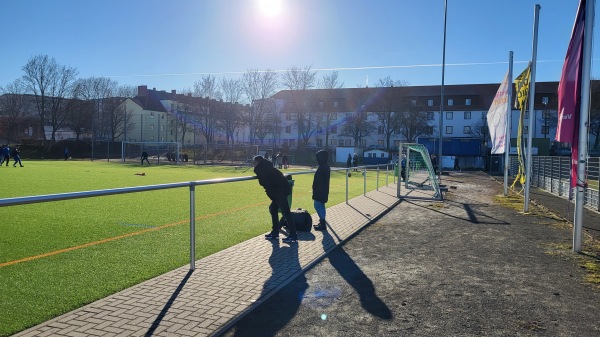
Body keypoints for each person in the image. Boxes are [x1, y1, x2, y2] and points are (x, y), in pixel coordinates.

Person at [253, 155, 297, 243]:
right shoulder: (267, 166)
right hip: (281, 189)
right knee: (273, 209)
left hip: (279, 191)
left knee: (286, 212)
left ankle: (293, 235)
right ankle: (275, 232)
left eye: (254, 162)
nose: (253, 164)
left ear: (257, 162)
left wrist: (273, 196)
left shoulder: (260, 169)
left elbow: (266, 184)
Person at [312, 150, 330, 231]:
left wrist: (315, 188)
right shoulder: (325, 166)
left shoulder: (323, 167)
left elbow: (319, 180)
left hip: (320, 190)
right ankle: (322, 222)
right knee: (322, 206)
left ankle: (322, 223)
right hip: (323, 190)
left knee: (317, 205)